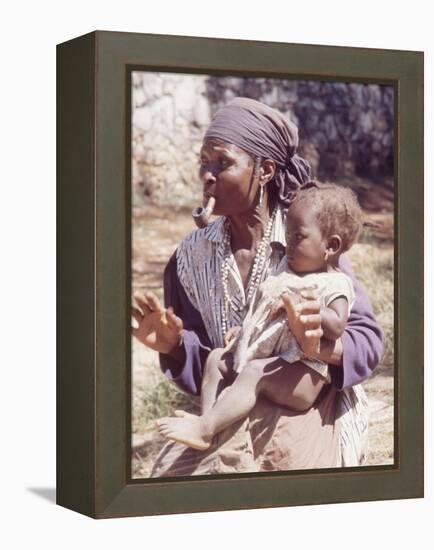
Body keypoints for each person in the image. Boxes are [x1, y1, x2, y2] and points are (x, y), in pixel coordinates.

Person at [132, 97, 383, 474]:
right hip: (231, 402)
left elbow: (367, 342)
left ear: (264, 170)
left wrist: (318, 342)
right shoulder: (190, 257)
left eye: (223, 163)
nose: (207, 174)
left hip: (306, 400)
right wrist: (175, 347)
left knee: (280, 475)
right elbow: (209, 365)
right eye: (205, 162)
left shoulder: (309, 243)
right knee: (174, 481)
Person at [156, 183, 362, 451]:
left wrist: (311, 309)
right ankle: (208, 424)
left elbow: (336, 325)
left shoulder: (334, 284)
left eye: (298, 237)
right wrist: (243, 330)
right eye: (287, 235)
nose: (288, 244)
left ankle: (206, 428)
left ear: (331, 246)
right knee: (217, 358)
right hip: (266, 356)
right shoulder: (285, 268)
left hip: (301, 373)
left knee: (255, 373)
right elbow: (264, 309)